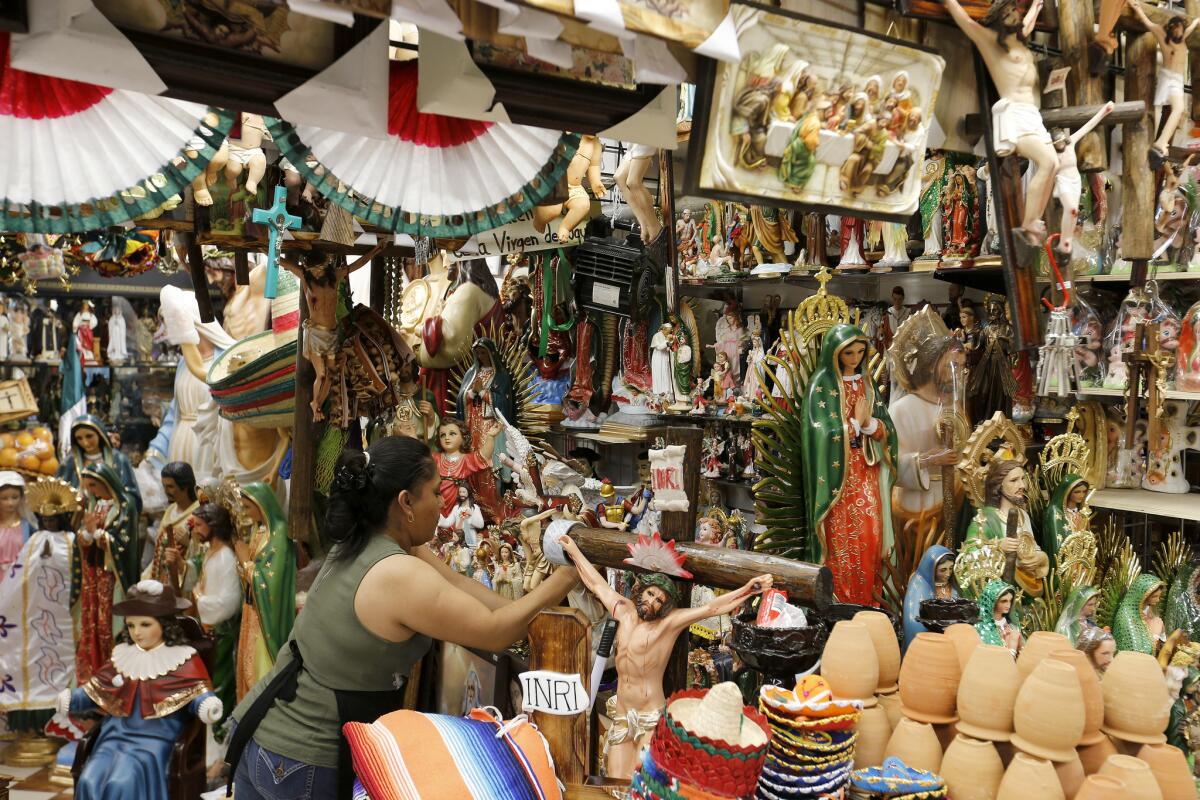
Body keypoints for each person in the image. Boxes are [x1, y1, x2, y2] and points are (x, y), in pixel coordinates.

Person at [226, 436, 580, 799]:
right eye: (435, 492)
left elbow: (456, 583)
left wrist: (523, 602)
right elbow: (495, 633)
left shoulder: (366, 538)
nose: (444, 502)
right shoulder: (397, 574)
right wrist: (567, 577)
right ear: (405, 502)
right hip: (302, 759)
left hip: (264, 734)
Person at [558, 533, 770, 780]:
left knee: (644, 778)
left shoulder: (668, 624)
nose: (653, 602)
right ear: (641, 590)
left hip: (649, 715)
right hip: (623, 713)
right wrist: (573, 550)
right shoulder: (623, 611)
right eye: (651, 594)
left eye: (660, 600)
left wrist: (749, 589)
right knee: (615, 776)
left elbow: (712, 608)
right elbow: (595, 583)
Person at [60, 580, 223, 800]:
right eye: (131, 625)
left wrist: (206, 704)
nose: (136, 632)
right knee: (90, 778)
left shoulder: (183, 658)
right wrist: (71, 699)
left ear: (164, 624)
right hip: (115, 736)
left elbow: (197, 692)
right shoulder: (123, 655)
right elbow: (96, 690)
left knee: (122, 781)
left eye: (145, 624)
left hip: (156, 737)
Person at [943, 0, 1058, 245]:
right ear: (998, 20)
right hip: (1014, 115)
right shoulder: (992, 43)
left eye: (1014, 10)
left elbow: (1027, 23)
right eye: (1006, 13)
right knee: (1047, 162)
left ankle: (1034, 220)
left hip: (1031, 114)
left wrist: (1037, 6)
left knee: (1054, 164)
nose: (1014, 15)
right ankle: (1028, 225)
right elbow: (966, 22)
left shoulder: (1020, 40)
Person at [801, 324, 897, 605]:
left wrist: (871, 426)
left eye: (859, 352)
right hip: (836, 481)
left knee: (870, 536)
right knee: (841, 541)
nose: (855, 359)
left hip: (867, 474)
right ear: (835, 353)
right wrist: (851, 427)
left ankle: (869, 600)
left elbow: (888, 429)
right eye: (848, 353)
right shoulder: (822, 384)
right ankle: (839, 603)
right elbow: (818, 430)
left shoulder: (867, 383)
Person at [77, 463, 141, 683]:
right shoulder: (96, 504)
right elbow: (86, 535)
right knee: (93, 620)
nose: (92, 491)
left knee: (109, 622)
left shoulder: (126, 506)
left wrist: (97, 534)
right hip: (94, 574)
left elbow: (122, 544)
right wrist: (87, 535)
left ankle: (113, 670)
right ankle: (94, 669)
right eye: (88, 486)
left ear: (106, 481)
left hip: (112, 577)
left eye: (94, 485)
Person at [235, 483, 297, 701]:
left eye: (247, 507)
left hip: (265, 616)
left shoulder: (278, 536)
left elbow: (270, 584)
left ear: (262, 505)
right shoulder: (259, 530)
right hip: (252, 611)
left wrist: (245, 562)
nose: (245, 513)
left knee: (260, 669)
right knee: (246, 666)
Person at [962, 459, 1050, 598]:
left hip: (1027, 589)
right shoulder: (985, 520)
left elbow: (1032, 547)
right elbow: (968, 556)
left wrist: (1039, 558)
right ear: (999, 486)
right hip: (1000, 595)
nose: (1022, 485)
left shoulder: (1023, 515)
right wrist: (997, 547)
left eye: (1023, 479)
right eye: (1014, 480)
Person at [191, 502, 242, 740]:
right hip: (209, 630)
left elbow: (228, 602)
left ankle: (220, 736)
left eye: (200, 525)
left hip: (221, 631)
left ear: (213, 526)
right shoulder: (211, 552)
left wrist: (200, 599)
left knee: (220, 684)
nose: (195, 530)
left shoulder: (225, 558)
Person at [1129, 1, 1200, 167]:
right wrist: (1138, 9)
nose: (1179, 31)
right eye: (1175, 28)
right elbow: (1149, 23)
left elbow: (1190, 28)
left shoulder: (1182, 39)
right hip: (1169, 79)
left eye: (1181, 28)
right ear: (1171, 28)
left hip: (1178, 81)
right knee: (1178, 109)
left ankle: (1162, 142)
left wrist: (1196, 21)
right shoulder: (1163, 36)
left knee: (1178, 110)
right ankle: (1161, 143)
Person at [58, 415, 142, 512]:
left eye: (89, 436)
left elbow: (131, 497)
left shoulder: (119, 460)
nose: (85, 442)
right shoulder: (70, 463)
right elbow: (59, 494)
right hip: (77, 519)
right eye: (79, 438)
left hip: (111, 518)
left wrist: (113, 501)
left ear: (100, 433)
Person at [144, 462, 200, 593]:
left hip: (181, 584)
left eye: (170, 486)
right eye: (164, 486)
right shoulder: (170, 510)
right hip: (161, 578)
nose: (166, 491)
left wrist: (189, 542)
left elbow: (204, 554)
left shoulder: (198, 513)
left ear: (185, 486)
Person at [902, 545, 957, 651]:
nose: (948, 574)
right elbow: (913, 620)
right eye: (943, 570)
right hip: (931, 639)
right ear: (931, 568)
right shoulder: (919, 586)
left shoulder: (953, 586)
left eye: (951, 568)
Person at [974, 579, 1022, 655]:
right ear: (992, 602)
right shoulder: (981, 628)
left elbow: (1023, 654)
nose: (1008, 605)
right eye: (1004, 601)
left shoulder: (1013, 625)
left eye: (1010, 600)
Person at [0, 471, 32, 586]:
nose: (10, 503)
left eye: (15, 497)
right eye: (4, 498)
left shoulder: (28, 527)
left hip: (20, 582)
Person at [437, 483, 485, 548]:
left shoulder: (474, 508)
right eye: (460, 492)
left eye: (464, 492)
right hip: (459, 537)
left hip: (471, 536)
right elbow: (447, 523)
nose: (461, 494)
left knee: (470, 554)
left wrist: (471, 515)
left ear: (468, 492)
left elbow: (481, 524)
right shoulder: (456, 508)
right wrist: (437, 514)